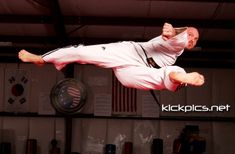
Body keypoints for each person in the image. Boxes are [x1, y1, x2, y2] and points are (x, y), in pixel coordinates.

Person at [18, 23, 204, 92]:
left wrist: (174, 34)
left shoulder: (175, 53)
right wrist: (173, 32)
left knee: (166, 74)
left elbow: (177, 43)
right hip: (130, 52)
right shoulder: (176, 42)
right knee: (82, 52)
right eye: (191, 36)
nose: (192, 40)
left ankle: (179, 77)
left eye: (196, 40)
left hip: (135, 72)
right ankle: (41, 58)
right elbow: (177, 38)